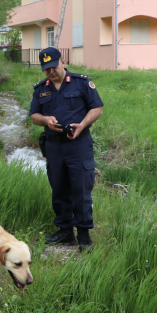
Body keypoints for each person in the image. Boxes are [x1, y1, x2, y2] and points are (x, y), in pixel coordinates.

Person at [29, 47, 103, 253]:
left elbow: (97, 108)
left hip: (78, 145)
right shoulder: (41, 89)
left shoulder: (81, 82)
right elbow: (34, 115)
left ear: (62, 62)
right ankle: (65, 231)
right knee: (59, 190)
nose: (51, 72)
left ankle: (84, 235)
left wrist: (82, 125)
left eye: (53, 67)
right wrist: (45, 120)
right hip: (54, 147)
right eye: (46, 69)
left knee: (80, 190)